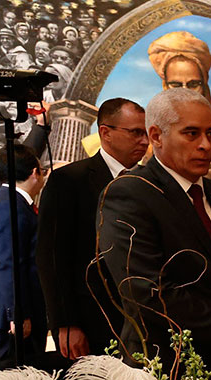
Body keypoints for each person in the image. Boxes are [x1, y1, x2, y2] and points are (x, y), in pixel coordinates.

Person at [97, 88, 211, 380]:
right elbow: (146, 291)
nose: (205, 145)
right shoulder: (129, 193)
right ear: (156, 136)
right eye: (191, 134)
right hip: (166, 366)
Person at [37, 98, 148, 362]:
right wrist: (65, 323)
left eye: (147, 133)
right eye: (135, 132)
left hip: (149, 320)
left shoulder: (152, 181)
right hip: (93, 319)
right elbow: (52, 256)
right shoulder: (69, 180)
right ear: (105, 133)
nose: (145, 141)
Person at [81, 30, 211, 180]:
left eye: (193, 84)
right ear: (165, 85)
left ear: (204, 83)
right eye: (176, 85)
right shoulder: (146, 133)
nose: (185, 92)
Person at [0, 144, 45, 365]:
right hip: (10, 318)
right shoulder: (9, 206)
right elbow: (8, 265)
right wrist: (17, 313)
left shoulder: (8, 202)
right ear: (35, 173)